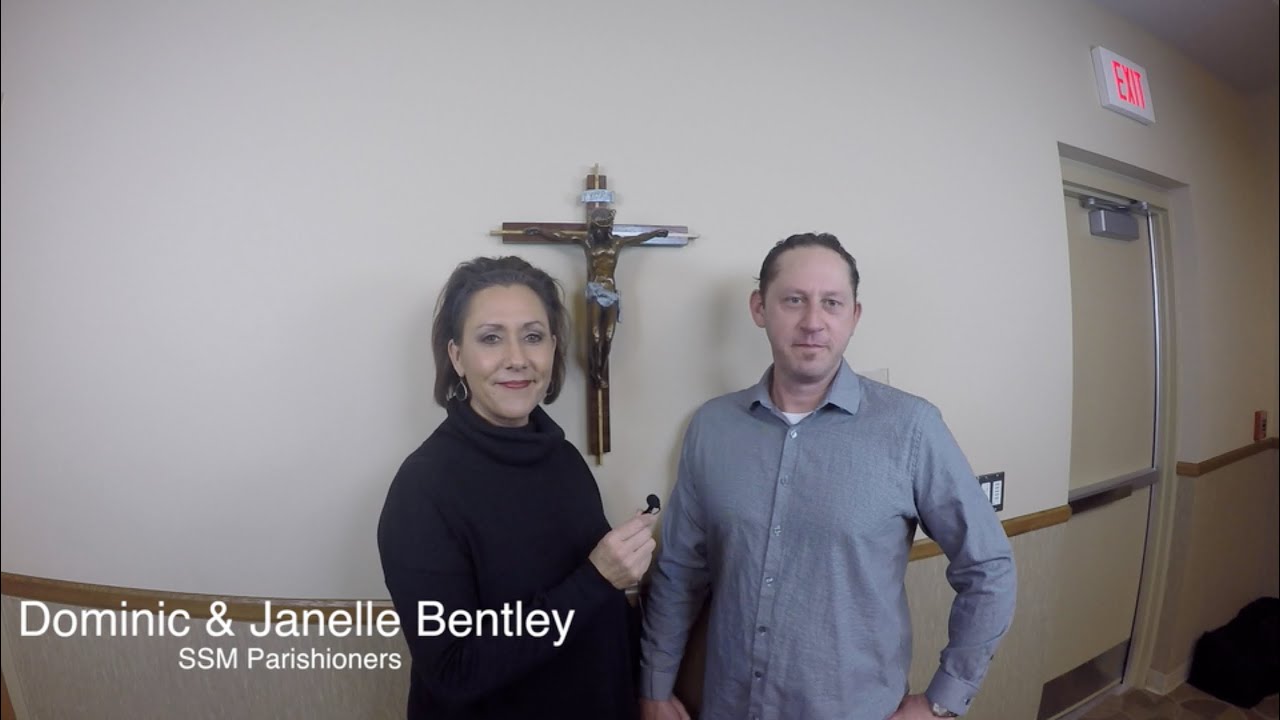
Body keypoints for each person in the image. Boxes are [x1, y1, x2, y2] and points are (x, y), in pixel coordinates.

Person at [639, 234, 1017, 720]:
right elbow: (679, 571)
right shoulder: (712, 427)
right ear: (760, 308)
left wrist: (942, 700)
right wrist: (655, 685)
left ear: (854, 316)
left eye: (832, 303)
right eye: (794, 300)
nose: (813, 322)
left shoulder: (912, 428)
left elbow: (988, 567)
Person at [377, 255, 657, 719]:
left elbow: (597, 620)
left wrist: (648, 690)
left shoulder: (562, 459)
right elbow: (454, 671)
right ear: (456, 356)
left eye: (532, 336)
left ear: (553, 348)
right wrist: (597, 578)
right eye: (491, 338)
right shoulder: (423, 489)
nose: (517, 359)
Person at [523, 207, 669, 388]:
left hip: (611, 293)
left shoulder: (617, 243)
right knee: (595, 335)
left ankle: (601, 367)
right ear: (594, 228)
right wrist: (540, 231)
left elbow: (638, 238)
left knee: (607, 337)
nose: (602, 232)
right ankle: (594, 369)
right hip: (595, 293)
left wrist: (655, 233)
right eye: (599, 228)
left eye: (606, 228)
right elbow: (561, 236)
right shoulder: (587, 243)